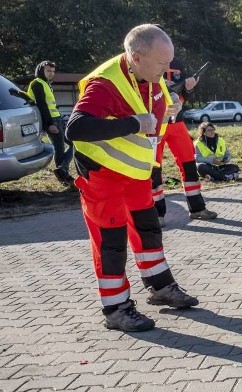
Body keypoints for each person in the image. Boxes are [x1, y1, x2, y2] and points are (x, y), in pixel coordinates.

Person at [65, 24, 199, 332]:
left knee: (148, 229)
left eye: (169, 63)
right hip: (102, 175)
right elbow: (76, 128)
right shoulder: (104, 84)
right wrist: (132, 124)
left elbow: (158, 108)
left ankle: (160, 286)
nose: (168, 71)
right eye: (162, 64)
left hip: (136, 173)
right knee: (111, 241)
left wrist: (172, 108)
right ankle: (116, 309)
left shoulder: (151, 76)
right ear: (136, 58)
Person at [150, 57, 218, 226]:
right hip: (155, 123)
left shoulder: (177, 64)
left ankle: (197, 209)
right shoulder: (143, 63)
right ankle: (156, 214)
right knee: (154, 168)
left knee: (188, 163)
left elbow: (183, 95)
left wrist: (189, 89)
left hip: (177, 122)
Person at [24, 61, 74, 187]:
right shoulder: (37, 84)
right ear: (41, 70)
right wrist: (50, 124)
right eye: (48, 71)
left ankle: (62, 169)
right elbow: (42, 105)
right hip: (51, 121)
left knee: (74, 144)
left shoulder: (46, 83)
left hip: (58, 119)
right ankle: (63, 175)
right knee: (59, 147)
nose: (51, 73)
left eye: (52, 71)